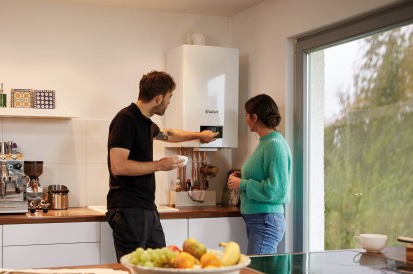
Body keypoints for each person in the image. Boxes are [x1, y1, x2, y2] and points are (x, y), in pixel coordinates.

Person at [107, 70, 219, 261]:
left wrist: (198, 136)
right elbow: (118, 165)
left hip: (147, 208)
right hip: (129, 209)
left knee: (163, 265)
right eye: (169, 97)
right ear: (158, 98)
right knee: (134, 268)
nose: (169, 102)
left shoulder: (146, 123)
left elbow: (169, 134)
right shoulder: (125, 120)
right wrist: (160, 165)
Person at [227, 93, 292, 255]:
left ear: (254, 117)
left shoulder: (274, 144)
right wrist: (241, 177)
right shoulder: (265, 142)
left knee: (256, 271)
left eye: (246, 115)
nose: (246, 119)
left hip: (266, 220)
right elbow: (263, 175)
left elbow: (277, 190)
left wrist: (242, 184)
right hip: (259, 220)